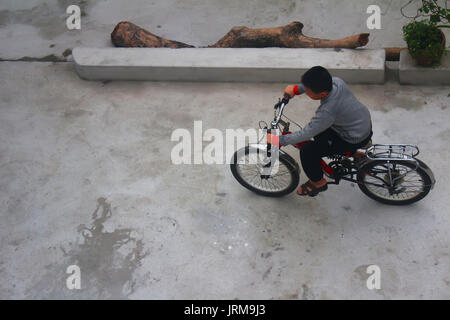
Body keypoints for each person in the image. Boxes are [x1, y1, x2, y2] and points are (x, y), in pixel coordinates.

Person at [267, 66, 373, 197]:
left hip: (353, 138)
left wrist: (280, 140)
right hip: (361, 125)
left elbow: (308, 132)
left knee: (308, 151)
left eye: (307, 91)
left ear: (322, 94)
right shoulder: (337, 82)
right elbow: (312, 84)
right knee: (320, 135)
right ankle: (354, 154)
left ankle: (318, 183)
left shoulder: (327, 111)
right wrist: (296, 89)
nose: (305, 92)